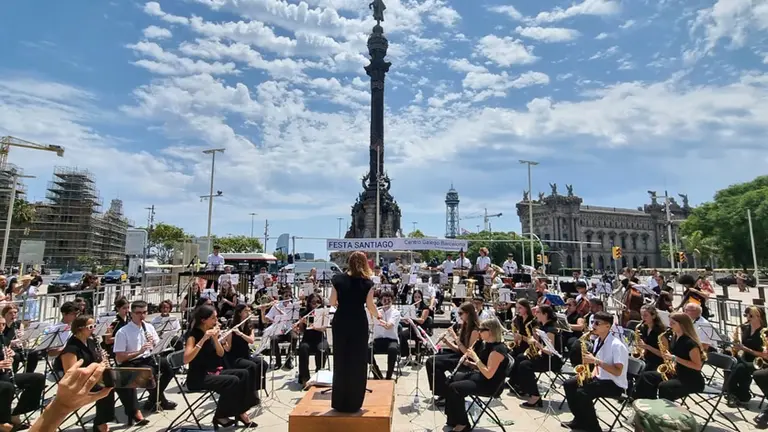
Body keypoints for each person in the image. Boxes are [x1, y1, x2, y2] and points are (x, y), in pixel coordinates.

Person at [183, 305, 257, 428]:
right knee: (232, 381)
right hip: (198, 377)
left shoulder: (211, 331)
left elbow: (221, 353)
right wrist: (203, 339)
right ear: (203, 320)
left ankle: (241, 410)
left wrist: (215, 339)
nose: (216, 321)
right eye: (213, 318)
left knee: (244, 374)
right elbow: (186, 359)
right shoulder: (193, 335)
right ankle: (220, 415)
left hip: (213, 371)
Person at [329, 250, 379, 413]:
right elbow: (370, 306)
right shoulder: (367, 283)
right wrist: (378, 315)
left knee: (341, 360)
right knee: (357, 361)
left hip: (341, 320)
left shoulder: (337, 280)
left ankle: (339, 401)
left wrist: (344, 304)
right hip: (358, 322)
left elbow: (332, 302)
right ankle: (354, 402)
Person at [562, 311, 628, 432]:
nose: (593, 326)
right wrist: (588, 374)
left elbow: (618, 372)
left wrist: (596, 361)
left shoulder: (617, 345)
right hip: (600, 378)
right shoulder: (598, 341)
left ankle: (593, 428)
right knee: (569, 384)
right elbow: (597, 365)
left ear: (608, 326)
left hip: (614, 384)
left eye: (597, 323)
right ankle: (579, 420)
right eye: (593, 322)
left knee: (582, 393)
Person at [444, 318, 509, 432]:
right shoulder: (488, 344)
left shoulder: (497, 350)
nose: (479, 332)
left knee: (455, 388)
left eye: (481, 330)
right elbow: (483, 365)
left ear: (490, 331)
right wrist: (471, 364)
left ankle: (463, 424)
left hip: (490, 385)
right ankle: (453, 418)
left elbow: (489, 374)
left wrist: (475, 357)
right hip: (482, 377)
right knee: (451, 379)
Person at [52, 315, 115, 432]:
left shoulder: (91, 341)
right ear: (79, 329)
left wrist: (103, 362)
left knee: (112, 383)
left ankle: (102, 420)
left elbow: (95, 360)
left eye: (95, 326)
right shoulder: (71, 348)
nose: (94, 329)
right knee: (105, 387)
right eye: (90, 326)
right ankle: (100, 424)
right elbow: (70, 373)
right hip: (78, 380)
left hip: (91, 376)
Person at [113, 301, 177, 415]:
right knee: (149, 373)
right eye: (138, 313)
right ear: (131, 313)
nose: (142, 316)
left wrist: (154, 343)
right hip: (132, 362)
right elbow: (120, 358)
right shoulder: (123, 332)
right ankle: (160, 400)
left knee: (169, 367)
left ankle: (153, 399)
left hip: (148, 358)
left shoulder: (149, 327)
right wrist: (139, 352)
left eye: (145, 312)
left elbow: (158, 346)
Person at [633, 312, 705, 401]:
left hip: (691, 380)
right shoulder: (675, 337)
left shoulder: (690, 343)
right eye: (670, 322)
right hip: (676, 373)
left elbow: (697, 366)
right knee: (646, 376)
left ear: (682, 325)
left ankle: (666, 411)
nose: (670, 325)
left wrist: (675, 358)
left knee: (664, 386)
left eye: (673, 323)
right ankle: (646, 404)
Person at [426, 302, 480, 406]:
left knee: (435, 363)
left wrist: (455, 338)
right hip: (460, 356)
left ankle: (444, 394)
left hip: (467, 361)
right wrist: (446, 342)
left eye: (461, 313)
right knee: (431, 361)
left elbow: (468, 353)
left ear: (468, 313)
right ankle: (442, 392)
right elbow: (458, 350)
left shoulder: (475, 330)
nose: (459, 316)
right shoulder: (465, 326)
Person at [0, 316, 44, 432]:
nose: (1, 327)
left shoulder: (4, 340)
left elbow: (18, 358)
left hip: (5, 375)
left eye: (3, 324)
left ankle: (16, 414)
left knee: (38, 379)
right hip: (2, 380)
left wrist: (12, 356)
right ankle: (3, 423)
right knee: (7, 387)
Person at [516, 304, 564, 408]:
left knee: (525, 365)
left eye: (538, 312)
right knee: (521, 357)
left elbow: (551, 351)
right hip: (544, 357)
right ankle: (524, 388)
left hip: (552, 360)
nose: (535, 314)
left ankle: (535, 396)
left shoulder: (551, 329)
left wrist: (538, 345)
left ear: (545, 314)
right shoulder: (542, 326)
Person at [223, 303, 266, 400]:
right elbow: (228, 348)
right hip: (235, 357)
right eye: (246, 311)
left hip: (246, 355)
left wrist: (240, 334)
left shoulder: (249, 325)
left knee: (263, 363)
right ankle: (250, 393)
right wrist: (223, 342)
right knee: (252, 366)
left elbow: (251, 340)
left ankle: (256, 387)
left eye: (248, 311)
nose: (248, 313)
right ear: (239, 313)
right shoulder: (232, 327)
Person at [725, 305, 766, 407]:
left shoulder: (765, 332)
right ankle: (742, 395)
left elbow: (765, 355)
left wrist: (745, 349)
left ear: (759, 316)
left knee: (740, 367)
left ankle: (731, 394)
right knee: (732, 364)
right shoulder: (745, 329)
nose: (747, 318)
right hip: (745, 358)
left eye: (751, 315)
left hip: (760, 362)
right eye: (746, 315)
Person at [294, 294, 329, 388]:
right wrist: (299, 325)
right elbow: (301, 331)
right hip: (307, 339)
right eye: (314, 302)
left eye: (318, 302)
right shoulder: (304, 313)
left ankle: (319, 374)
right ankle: (305, 378)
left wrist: (309, 323)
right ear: (309, 303)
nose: (316, 304)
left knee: (322, 349)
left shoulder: (323, 313)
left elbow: (323, 329)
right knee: (303, 349)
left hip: (319, 338)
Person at [368, 290, 400, 380]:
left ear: (392, 301)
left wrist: (378, 318)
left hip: (391, 340)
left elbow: (388, 326)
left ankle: (389, 376)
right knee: (367, 349)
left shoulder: (395, 312)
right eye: (384, 300)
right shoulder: (376, 311)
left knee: (393, 349)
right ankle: (377, 373)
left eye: (389, 300)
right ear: (381, 301)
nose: (386, 302)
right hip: (378, 339)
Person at [2, 305, 40, 374]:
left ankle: (28, 374)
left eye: (15, 313)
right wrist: (11, 342)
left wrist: (23, 338)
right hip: (7, 351)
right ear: (4, 315)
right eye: (10, 313)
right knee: (15, 357)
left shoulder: (18, 324)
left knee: (33, 353)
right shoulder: (2, 325)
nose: (13, 315)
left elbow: (24, 344)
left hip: (18, 349)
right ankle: (13, 377)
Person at [399, 289, 433, 361]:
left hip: (421, 330)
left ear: (421, 298)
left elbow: (422, 321)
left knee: (418, 338)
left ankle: (418, 355)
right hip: (412, 329)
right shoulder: (411, 307)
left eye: (418, 297)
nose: (417, 299)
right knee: (402, 335)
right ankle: (407, 354)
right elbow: (408, 322)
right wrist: (405, 319)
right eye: (415, 297)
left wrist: (412, 317)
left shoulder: (425, 308)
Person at [634, 305, 667, 373]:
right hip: (646, 358)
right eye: (642, 315)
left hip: (657, 362)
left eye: (645, 315)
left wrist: (647, 347)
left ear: (653, 316)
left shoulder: (661, 332)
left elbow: (665, 354)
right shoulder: (642, 328)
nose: (643, 318)